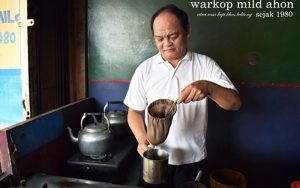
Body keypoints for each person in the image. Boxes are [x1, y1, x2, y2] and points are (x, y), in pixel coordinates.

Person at [124, 4, 242, 188]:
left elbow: (235, 103)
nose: (166, 43)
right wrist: (141, 138)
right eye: (159, 38)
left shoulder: (205, 65)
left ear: (187, 31)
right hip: (154, 160)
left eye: (173, 36)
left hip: (193, 162)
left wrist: (209, 87)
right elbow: (134, 111)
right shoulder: (145, 69)